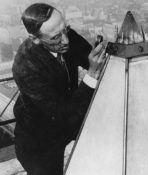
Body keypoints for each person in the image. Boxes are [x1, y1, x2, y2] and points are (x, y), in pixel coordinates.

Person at [12, 3, 106, 175]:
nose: (66, 40)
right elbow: (61, 113)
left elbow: (91, 60)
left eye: (66, 29)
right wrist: (92, 74)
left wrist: (102, 57)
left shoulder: (62, 35)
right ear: (35, 39)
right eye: (55, 38)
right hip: (39, 142)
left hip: (68, 121)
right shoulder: (25, 66)